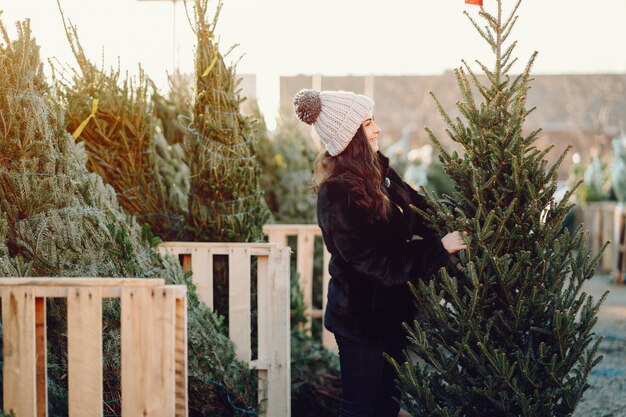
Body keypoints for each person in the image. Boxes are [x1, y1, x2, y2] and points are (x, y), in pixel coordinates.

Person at [293, 89, 466, 417]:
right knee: (360, 410)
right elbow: (377, 265)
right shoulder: (336, 195)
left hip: (394, 317)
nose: (378, 129)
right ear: (351, 135)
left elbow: (420, 208)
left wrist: (456, 218)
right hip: (360, 322)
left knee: (387, 408)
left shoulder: (380, 174)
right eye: (369, 123)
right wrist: (437, 250)